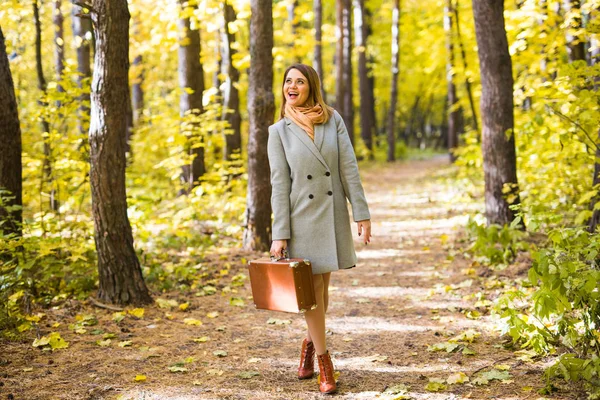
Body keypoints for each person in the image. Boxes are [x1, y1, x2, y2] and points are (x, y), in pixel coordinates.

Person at [267, 63, 372, 394]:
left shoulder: (332, 119)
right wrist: (279, 233)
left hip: (331, 213)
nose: (292, 86)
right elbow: (279, 185)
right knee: (312, 296)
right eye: (288, 81)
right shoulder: (278, 131)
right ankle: (325, 362)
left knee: (322, 292)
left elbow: (347, 167)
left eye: (299, 81)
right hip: (302, 219)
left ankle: (308, 347)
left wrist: (361, 212)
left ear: (311, 86)